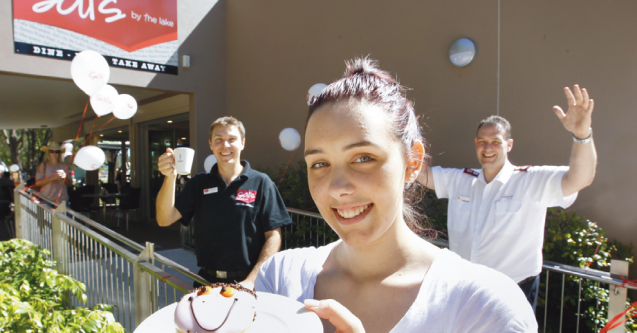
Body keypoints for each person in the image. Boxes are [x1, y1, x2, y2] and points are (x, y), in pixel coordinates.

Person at [256, 58, 537, 332]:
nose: (337, 187)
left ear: (412, 163)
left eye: (363, 158)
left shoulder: (486, 308)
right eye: (319, 164)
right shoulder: (280, 279)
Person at [416, 86, 596, 310]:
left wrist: (582, 136)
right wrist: (404, 138)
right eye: (482, 141)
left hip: (513, 292)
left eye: (496, 141)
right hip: (466, 290)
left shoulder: (530, 181)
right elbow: (421, 173)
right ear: (475, 144)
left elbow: (580, 179)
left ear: (509, 145)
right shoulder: (460, 180)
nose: (487, 147)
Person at [156, 116, 293, 290]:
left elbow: (274, 236)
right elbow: (164, 219)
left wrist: (252, 280)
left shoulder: (261, 182)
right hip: (207, 283)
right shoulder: (199, 184)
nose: (225, 145)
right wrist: (170, 178)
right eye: (218, 140)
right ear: (211, 144)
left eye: (232, 139)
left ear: (242, 143)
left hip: (249, 282)